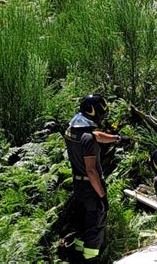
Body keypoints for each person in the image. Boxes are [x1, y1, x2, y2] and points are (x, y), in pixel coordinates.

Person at [65, 94, 122, 263]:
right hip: (91, 186)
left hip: (78, 184)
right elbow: (91, 171)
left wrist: (117, 139)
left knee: (84, 221)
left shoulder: (72, 130)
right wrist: (102, 196)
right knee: (96, 224)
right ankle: (90, 259)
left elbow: (94, 134)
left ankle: (77, 255)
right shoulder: (88, 139)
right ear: (94, 113)